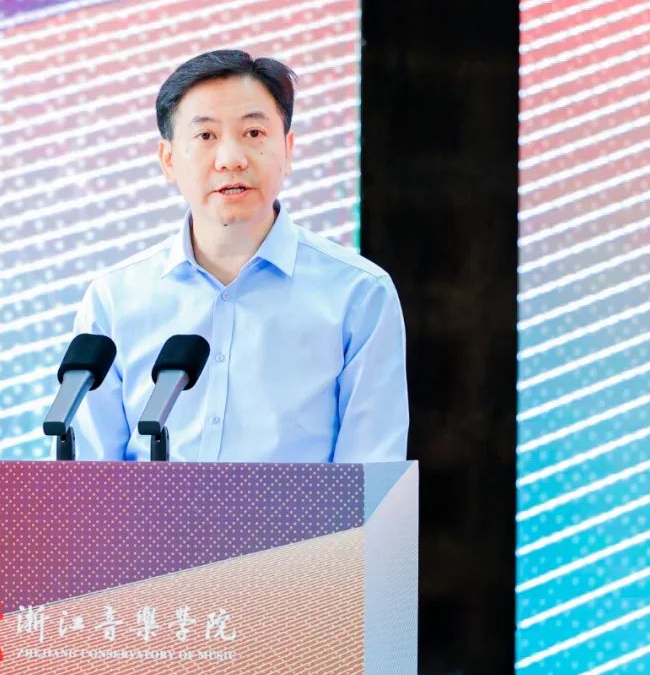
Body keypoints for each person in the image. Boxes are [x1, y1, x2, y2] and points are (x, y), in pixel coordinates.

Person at [70, 49, 408, 463]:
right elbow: (86, 479)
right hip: (146, 511)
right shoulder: (114, 300)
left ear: (287, 149)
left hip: (303, 512)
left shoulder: (359, 295)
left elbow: (372, 479)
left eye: (253, 133)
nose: (231, 159)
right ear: (168, 160)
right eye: (205, 136)